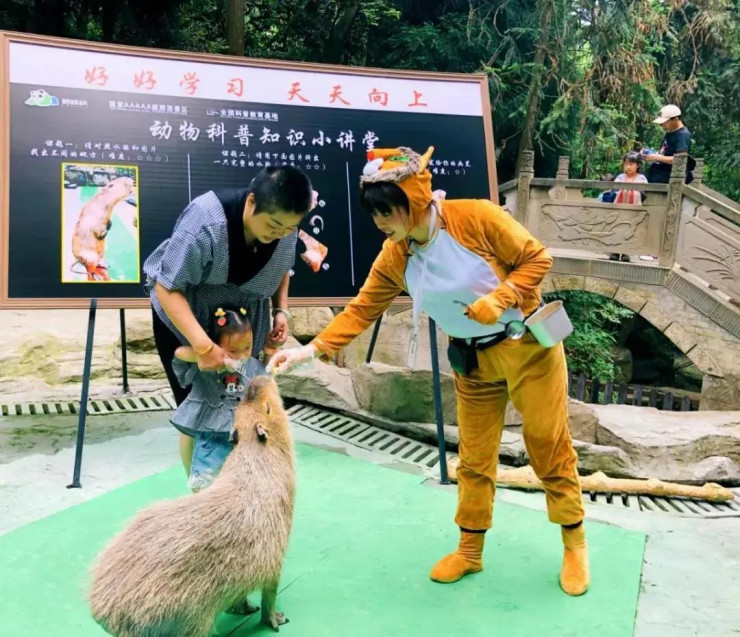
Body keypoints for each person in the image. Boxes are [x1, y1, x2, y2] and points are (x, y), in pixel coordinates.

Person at [268, 145, 589, 596]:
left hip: (528, 350)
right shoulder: (396, 254)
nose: (379, 221)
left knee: (547, 444)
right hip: (473, 362)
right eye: (373, 213)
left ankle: (574, 542)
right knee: (474, 458)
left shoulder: (475, 217)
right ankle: (470, 549)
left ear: (415, 198)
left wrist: (499, 298)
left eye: (387, 211)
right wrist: (308, 350)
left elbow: (537, 258)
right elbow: (362, 309)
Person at [143, 165, 314, 475]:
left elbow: (282, 267)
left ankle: (235, 483)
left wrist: (281, 311)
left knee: (242, 405)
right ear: (251, 202)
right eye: (273, 224)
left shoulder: (285, 230)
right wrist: (204, 346)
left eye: (289, 228)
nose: (279, 233)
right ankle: (199, 487)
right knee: (198, 408)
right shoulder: (205, 220)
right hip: (189, 317)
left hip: (246, 325)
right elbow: (167, 288)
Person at [171, 306, 268, 492]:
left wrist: (270, 351)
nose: (241, 356)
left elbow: (265, 381)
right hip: (212, 433)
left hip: (243, 434)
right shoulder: (205, 364)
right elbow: (179, 354)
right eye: (233, 350)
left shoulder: (251, 365)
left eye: (247, 347)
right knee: (206, 483)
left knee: (242, 482)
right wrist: (210, 355)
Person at [609, 152, 649, 262]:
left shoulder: (641, 178)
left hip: (634, 208)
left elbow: (645, 192)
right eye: (626, 164)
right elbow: (614, 190)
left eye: (631, 164)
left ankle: (626, 252)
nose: (628, 167)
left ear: (638, 165)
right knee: (617, 228)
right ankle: (615, 251)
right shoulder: (620, 177)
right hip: (619, 207)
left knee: (630, 229)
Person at [643, 104, 694, 184]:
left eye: (664, 123)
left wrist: (658, 158)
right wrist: (650, 154)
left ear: (676, 119)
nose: (661, 125)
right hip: (661, 172)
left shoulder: (682, 135)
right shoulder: (670, 132)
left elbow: (680, 160)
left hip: (672, 176)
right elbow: (665, 153)